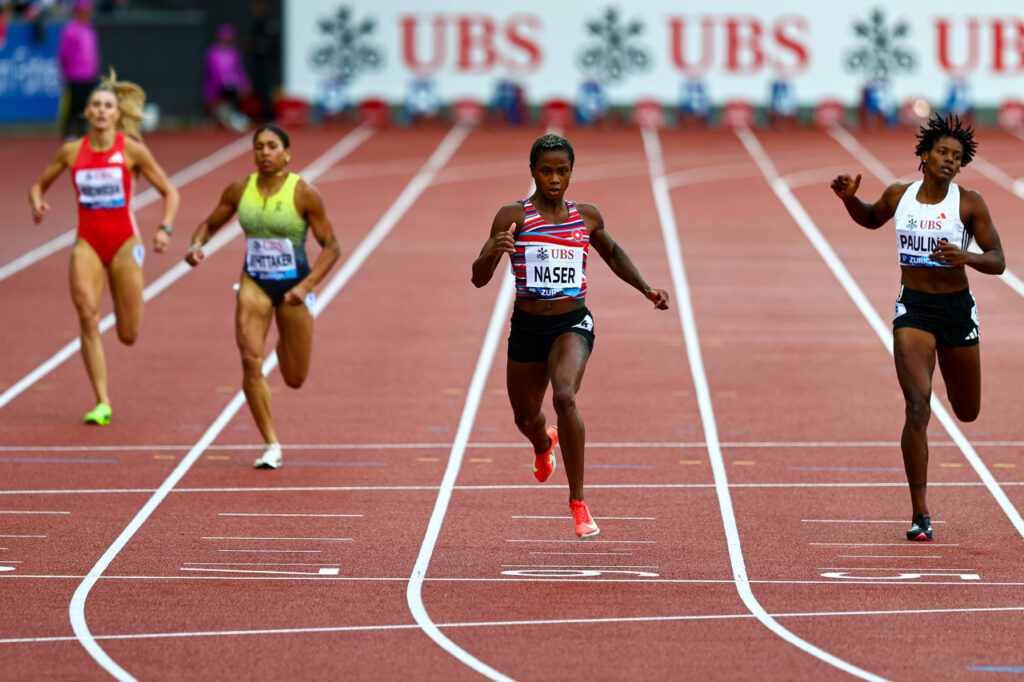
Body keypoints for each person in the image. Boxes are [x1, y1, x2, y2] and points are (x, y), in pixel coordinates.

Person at [471, 133, 670, 538]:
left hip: (572, 324)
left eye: (562, 171)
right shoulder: (514, 216)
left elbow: (612, 254)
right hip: (528, 327)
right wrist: (494, 248)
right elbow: (478, 278)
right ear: (532, 173)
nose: (555, 179)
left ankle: (578, 502)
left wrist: (646, 288)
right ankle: (544, 445)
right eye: (546, 171)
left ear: (571, 173)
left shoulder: (588, 217)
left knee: (564, 394)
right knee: (525, 418)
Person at [830, 114, 1005, 541]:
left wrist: (966, 258)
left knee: (967, 411)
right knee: (916, 407)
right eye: (943, 152)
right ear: (924, 156)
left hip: (957, 311)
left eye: (957, 157)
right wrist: (850, 200)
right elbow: (871, 218)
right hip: (915, 310)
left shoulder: (968, 203)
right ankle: (920, 514)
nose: (950, 160)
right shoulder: (899, 195)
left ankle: (922, 508)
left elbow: (998, 260)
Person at [28, 68, 180, 425]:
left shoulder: (131, 150)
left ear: (117, 114)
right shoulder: (70, 151)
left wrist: (165, 228)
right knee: (87, 315)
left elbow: (170, 192)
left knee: (128, 334)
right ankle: (102, 401)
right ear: (86, 112)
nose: (100, 110)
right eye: (94, 105)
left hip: (125, 242)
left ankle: (112, 369)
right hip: (88, 242)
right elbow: (38, 187)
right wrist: (36, 204)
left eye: (107, 106)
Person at [185, 125, 340, 469]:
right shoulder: (240, 191)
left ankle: (284, 337)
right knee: (250, 362)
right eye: (259, 147)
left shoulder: (303, 193)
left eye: (272, 146)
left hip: (293, 288)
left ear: (286, 154)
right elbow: (208, 225)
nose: (265, 152)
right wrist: (197, 246)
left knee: (294, 378)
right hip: (253, 283)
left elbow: (332, 246)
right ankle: (271, 443)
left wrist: (306, 286)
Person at [57, 0, 100, 140]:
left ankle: (82, 130)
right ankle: (68, 132)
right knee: (73, 106)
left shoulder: (90, 28)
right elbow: (64, 53)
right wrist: (66, 71)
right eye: (86, 10)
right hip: (74, 75)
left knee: (86, 106)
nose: (89, 13)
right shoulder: (70, 29)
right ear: (79, 11)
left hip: (89, 74)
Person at [203, 23, 251, 132]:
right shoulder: (212, 53)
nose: (227, 41)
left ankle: (232, 120)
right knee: (217, 105)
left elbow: (239, 70)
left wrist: (244, 83)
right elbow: (212, 71)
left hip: (232, 85)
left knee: (232, 103)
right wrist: (215, 87)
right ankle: (217, 120)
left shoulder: (234, 52)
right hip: (217, 85)